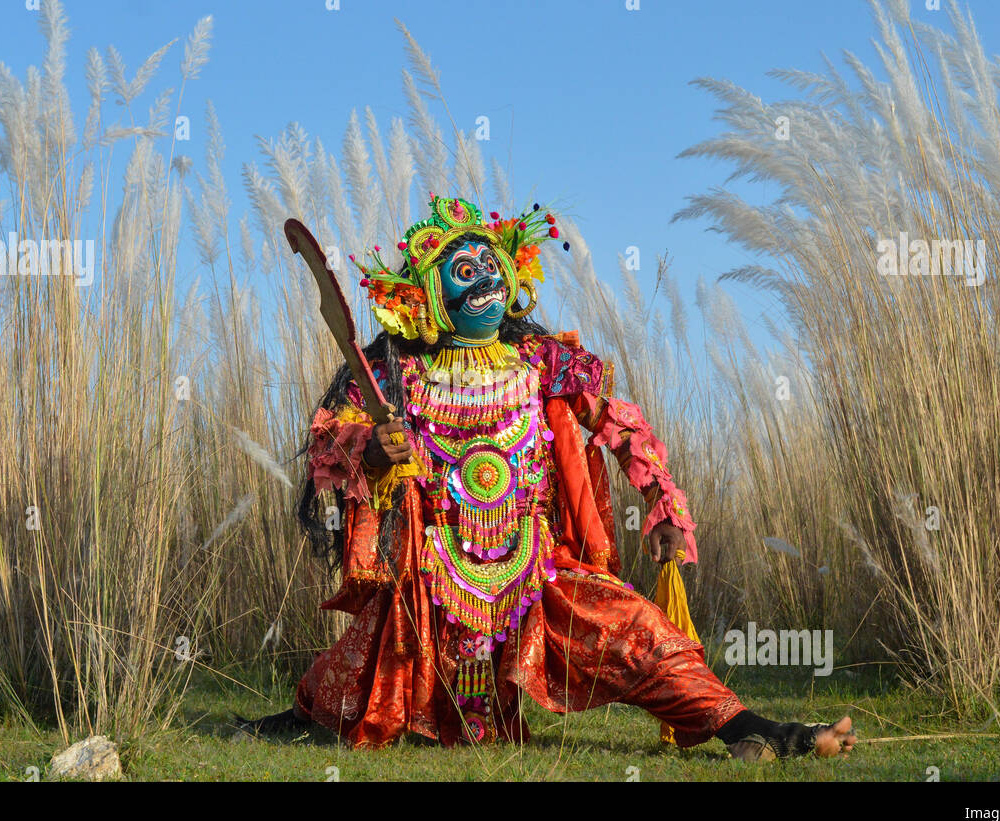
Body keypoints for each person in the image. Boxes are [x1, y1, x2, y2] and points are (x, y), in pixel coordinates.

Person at [240, 195, 855, 761]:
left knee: (639, 633)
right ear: (425, 296)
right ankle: (297, 715)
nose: (482, 275)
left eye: (489, 262)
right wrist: (373, 448)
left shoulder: (546, 363)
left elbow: (620, 426)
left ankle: (759, 731)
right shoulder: (396, 374)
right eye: (462, 267)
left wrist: (664, 504)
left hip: (539, 572)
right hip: (430, 583)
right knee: (362, 683)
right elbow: (331, 444)